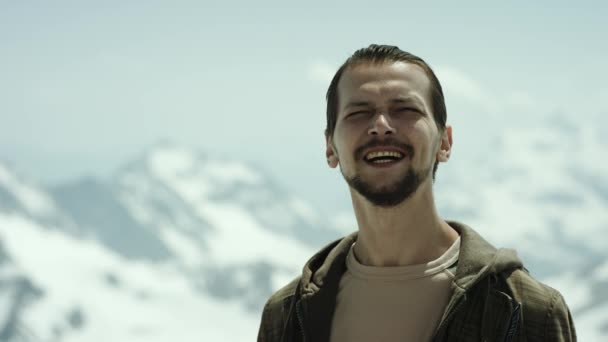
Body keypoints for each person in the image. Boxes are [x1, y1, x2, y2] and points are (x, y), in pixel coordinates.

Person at [256, 44, 576, 342]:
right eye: (358, 113)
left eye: (406, 109)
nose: (381, 125)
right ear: (330, 147)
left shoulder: (528, 311)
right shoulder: (285, 315)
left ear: (445, 142)